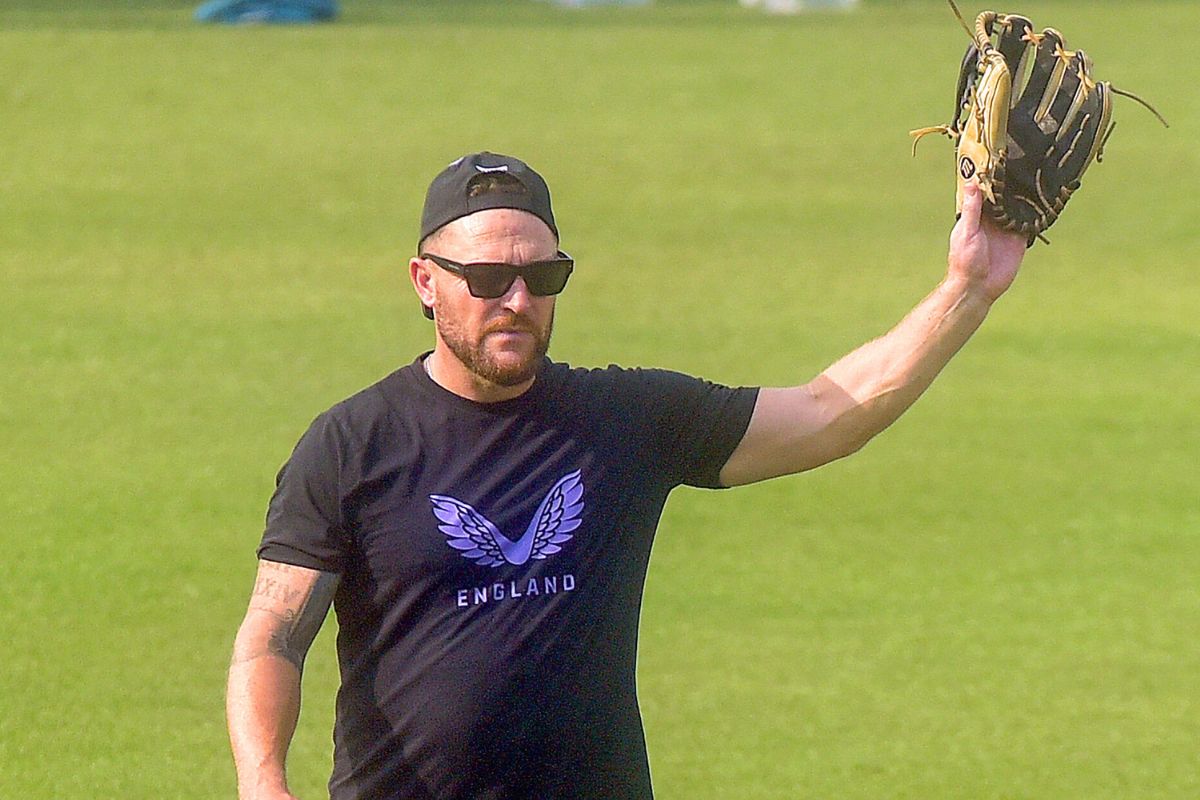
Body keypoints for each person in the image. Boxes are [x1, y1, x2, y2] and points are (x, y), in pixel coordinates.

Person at [226, 151, 1026, 799]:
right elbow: (275, 634)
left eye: (543, 278)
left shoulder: (623, 420)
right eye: (488, 278)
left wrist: (969, 288)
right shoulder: (352, 446)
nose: (517, 300)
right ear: (425, 281)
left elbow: (829, 413)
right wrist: (263, 782)